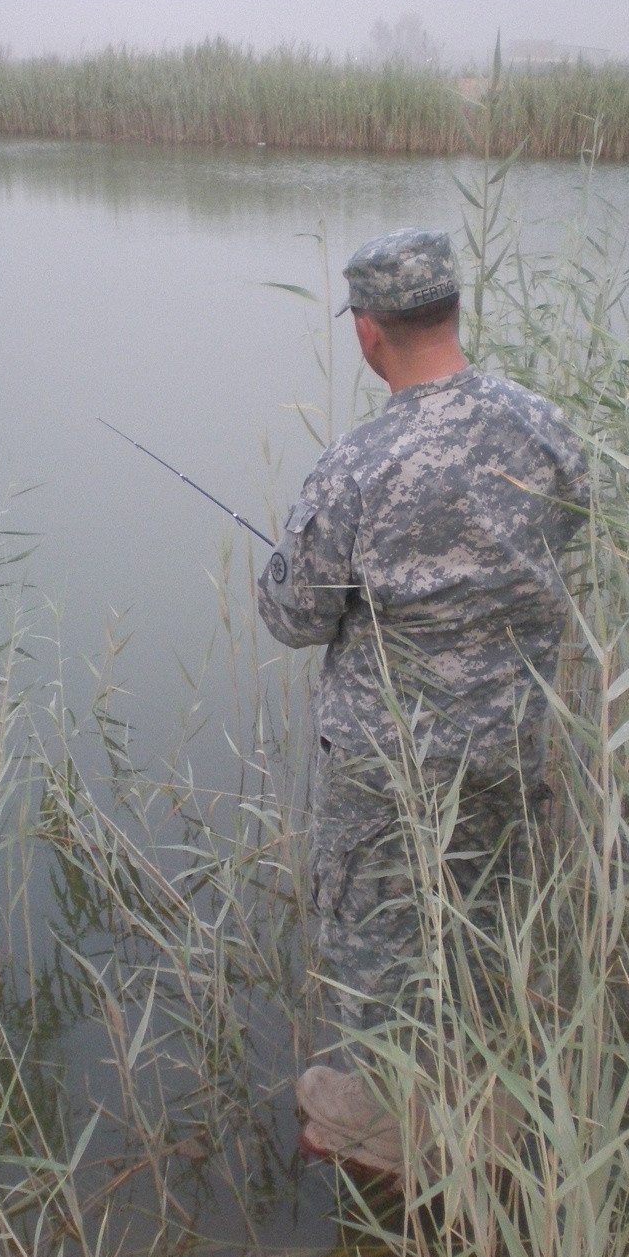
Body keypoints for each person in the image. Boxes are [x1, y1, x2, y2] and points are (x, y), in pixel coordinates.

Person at [257, 228, 589, 1176]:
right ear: (450, 309)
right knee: (485, 917)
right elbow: (572, 534)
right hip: (511, 740)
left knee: (376, 936)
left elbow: (293, 616)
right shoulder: (542, 427)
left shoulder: (357, 464)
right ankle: (492, 1103)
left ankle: (393, 1130)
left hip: (390, 761)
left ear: (369, 332)